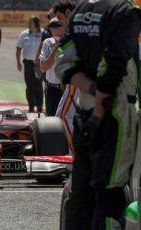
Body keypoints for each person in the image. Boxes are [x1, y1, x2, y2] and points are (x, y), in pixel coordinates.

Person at [55, 0, 141, 229]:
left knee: (80, 195)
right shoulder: (125, 11)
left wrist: (92, 93)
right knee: (109, 195)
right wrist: (100, 112)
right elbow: (113, 67)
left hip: (83, 112)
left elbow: (64, 64)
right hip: (115, 114)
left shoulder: (81, 10)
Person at [52, 0, 77, 154]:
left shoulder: (75, 28)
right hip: (84, 79)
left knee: (61, 117)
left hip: (77, 80)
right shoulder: (82, 23)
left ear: (68, 13)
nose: (59, 22)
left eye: (60, 17)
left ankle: (76, 156)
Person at [16, 16, 43, 112]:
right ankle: (31, 106)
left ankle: (39, 106)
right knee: (29, 85)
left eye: (31, 23)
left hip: (39, 64)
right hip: (27, 63)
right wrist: (18, 62)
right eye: (28, 23)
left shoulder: (43, 33)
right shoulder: (24, 34)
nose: (29, 24)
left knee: (38, 85)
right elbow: (18, 47)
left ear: (36, 23)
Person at [39, 17, 64, 116]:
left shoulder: (72, 41)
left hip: (68, 89)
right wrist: (55, 49)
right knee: (52, 121)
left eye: (57, 27)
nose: (54, 30)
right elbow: (43, 68)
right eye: (51, 28)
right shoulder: (48, 42)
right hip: (52, 89)